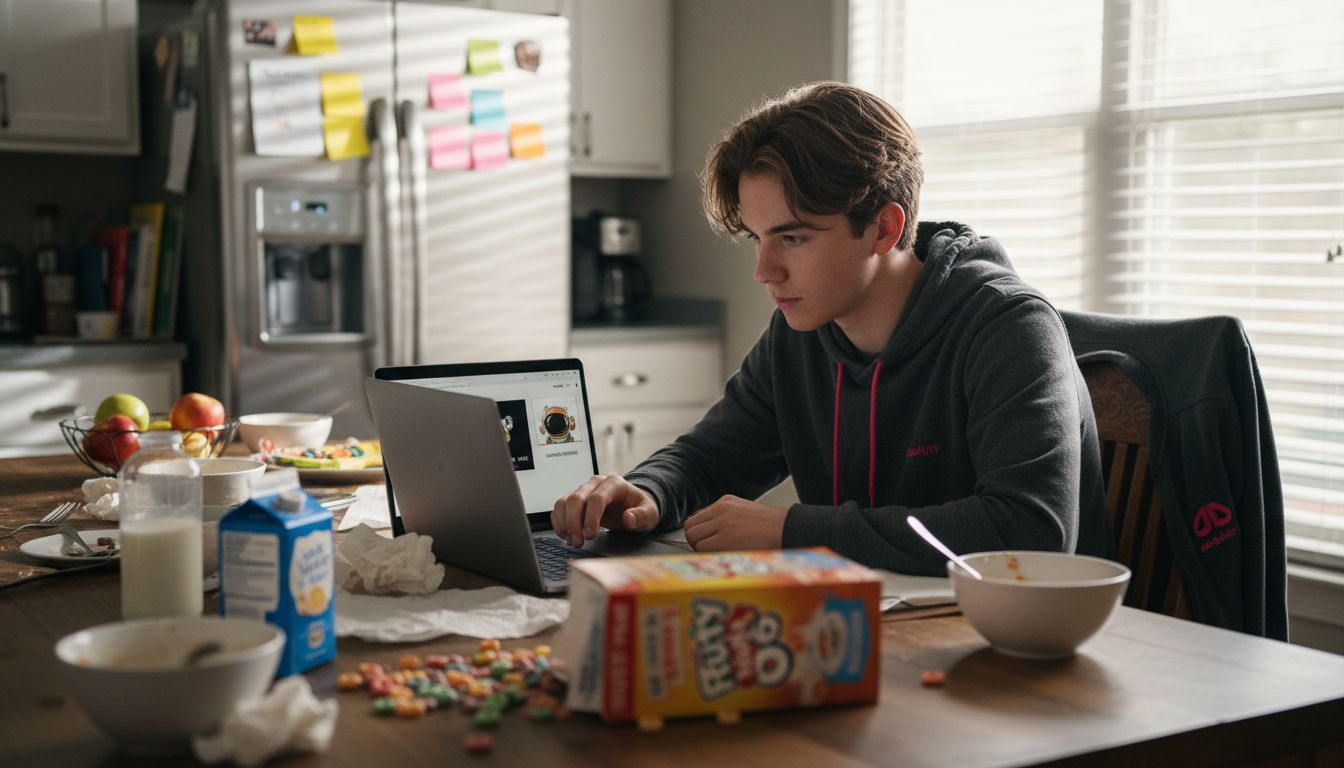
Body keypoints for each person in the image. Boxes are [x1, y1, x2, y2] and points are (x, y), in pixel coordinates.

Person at [552, 81, 1108, 574]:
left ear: (884, 228)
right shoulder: (799, 333)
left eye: (793, 238)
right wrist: (645, 491)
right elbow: (710, 458)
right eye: (757, 238)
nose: (764, 272)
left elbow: (1031, 532)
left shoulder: (1009, 327)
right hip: (874, 620)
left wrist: (794, 532)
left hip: (1031, 642)